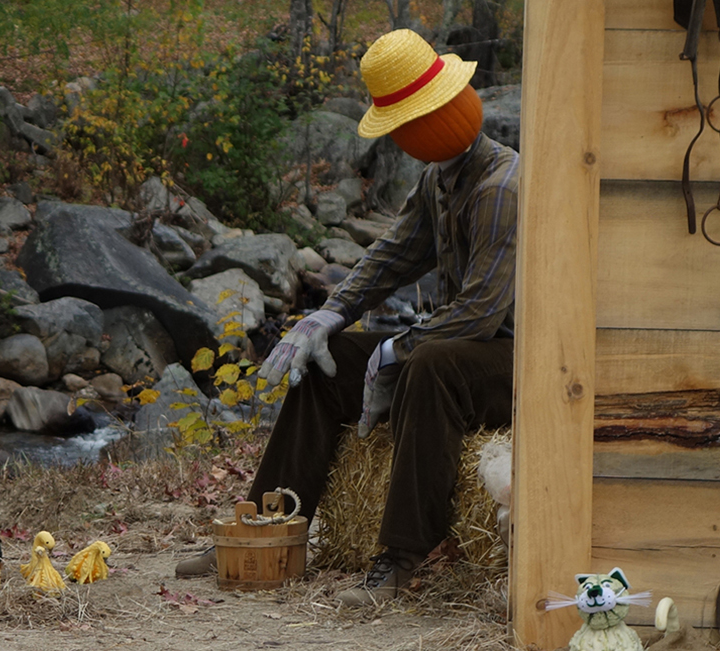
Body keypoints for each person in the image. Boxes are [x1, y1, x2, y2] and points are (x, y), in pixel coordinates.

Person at [176, 30, 518, 608]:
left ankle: (402, 559)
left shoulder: (501, 187)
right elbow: (391, 255)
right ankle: (270, 523)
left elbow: (481, 314)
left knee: (429, 364)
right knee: (327, 364)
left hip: (521, 360)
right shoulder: (440, 178)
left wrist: (398, 351)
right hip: (465, 344)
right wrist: (329, 316)